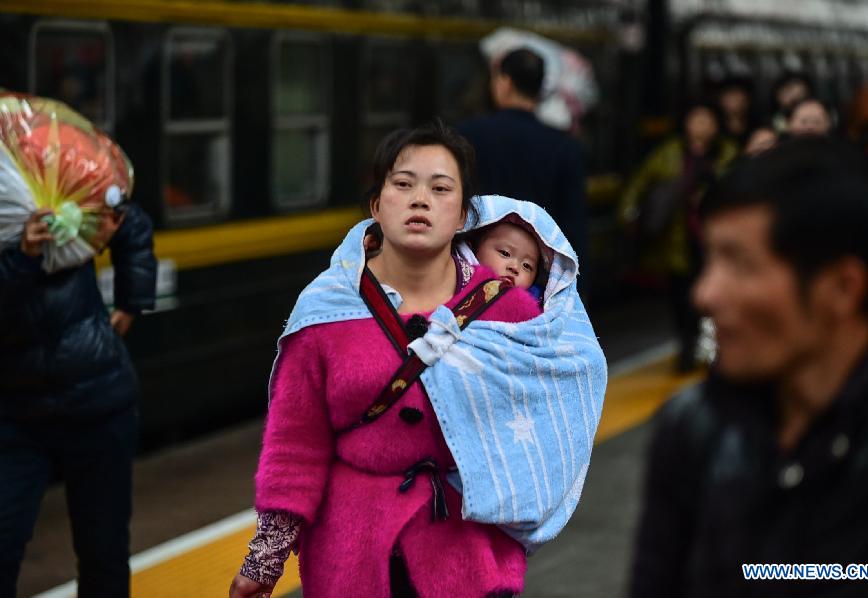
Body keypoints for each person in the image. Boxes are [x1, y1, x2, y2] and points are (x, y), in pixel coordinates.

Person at [230, 122, 605, 598]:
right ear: (376, 205)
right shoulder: (326, 310)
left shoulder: (508, 310)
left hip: (468, 562)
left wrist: (521, 510)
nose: (420, 199)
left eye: (440, 188)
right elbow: (296, 443)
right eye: (403, 184)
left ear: (464, 214)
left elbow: (560, 399)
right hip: (351, 559)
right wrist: (265, 560)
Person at [629, 138, 868, 597]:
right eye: (711, 260)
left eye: (740, 264)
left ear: (843, 288)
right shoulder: (693, 428)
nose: (705, 294)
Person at [0, 203, 157, 597]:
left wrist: (131, 300)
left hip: (97, 401)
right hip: (15, 412)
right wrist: (23, 257)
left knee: (103, 552)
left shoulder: (59, 186)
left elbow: (130, 220)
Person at [456, 48, 588, 299]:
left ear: (504, 82)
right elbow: (574, 228)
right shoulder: (565, 147)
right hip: (536, 286)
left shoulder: (467, 136)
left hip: (469, 277)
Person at [619, 100, 738, 371]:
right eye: (696, 119)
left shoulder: (727, 154)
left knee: (714, 292)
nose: (701, 126)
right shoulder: (669, 153)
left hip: (713, 237)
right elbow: (640, 182)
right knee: (680, 294)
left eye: (707, 120)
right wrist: (629, 214)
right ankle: (688, 345)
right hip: (677, 237)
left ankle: (713, 346)